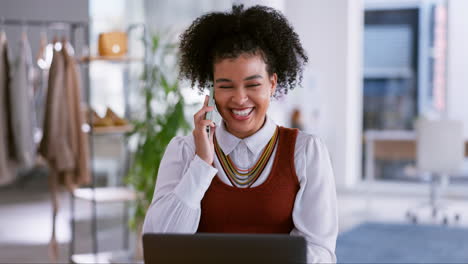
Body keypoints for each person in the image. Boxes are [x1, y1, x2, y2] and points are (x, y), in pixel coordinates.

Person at [143, 5, 338, 263]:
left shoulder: (306, 151)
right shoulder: (184, 150)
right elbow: (162, 246)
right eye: (226, 86)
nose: (240, 98)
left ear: (272, 83)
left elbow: (320, 250)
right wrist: (201, 164)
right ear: (211, 89)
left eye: (253, 84)